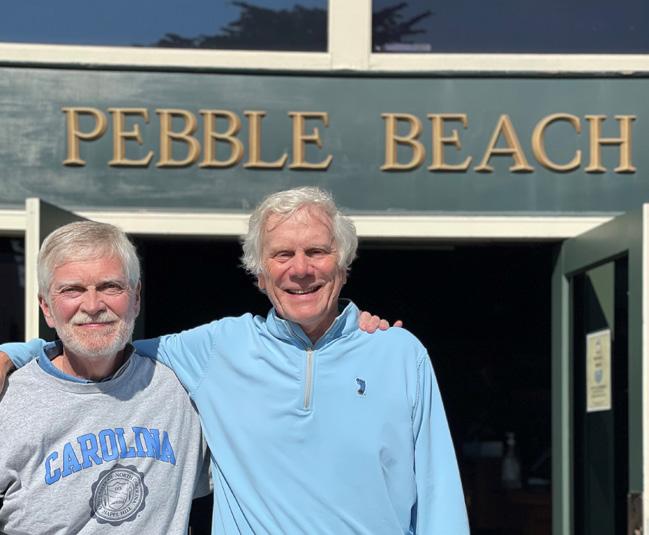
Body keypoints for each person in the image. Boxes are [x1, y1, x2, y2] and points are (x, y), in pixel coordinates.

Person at [1, 187, 468, 534]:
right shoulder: (217, 349)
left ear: (343, 266)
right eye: (282, 254)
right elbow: (99, 340)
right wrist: (16, 354)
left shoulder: (399, 353)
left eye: (317, 252)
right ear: (259, 275)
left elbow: (438, 492)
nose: (300, 269)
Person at [0, 222, 210, 534]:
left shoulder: (182, 389)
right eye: (72, 290)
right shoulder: (7, 399)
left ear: (136, 298)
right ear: (46, 307)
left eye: (110, 287)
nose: (93, 306)